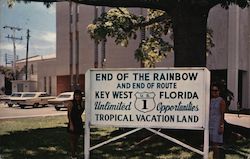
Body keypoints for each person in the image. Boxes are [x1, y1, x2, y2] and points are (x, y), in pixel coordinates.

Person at [209, 84, 226, 159]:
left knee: (216, 145)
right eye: (212, 90)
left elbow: (222, 115)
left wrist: (221, 126)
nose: (214, 92)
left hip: (217, 123)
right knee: (212, 144)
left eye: (216, 90)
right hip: (210, 123)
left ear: (219, 91)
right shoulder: (210, 100)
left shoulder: (221, 101)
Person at [67, 89, 85, 159]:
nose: (77, 96)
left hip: (79, 122)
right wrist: (71, 124)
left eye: (78, 95)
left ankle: (75, 153)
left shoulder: (80, 104)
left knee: (77, 139)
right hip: (72, 122)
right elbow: (69, 114)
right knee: (72, 140)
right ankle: (73, 155)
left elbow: (81, 112)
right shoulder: (71, 103)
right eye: (76, 95)